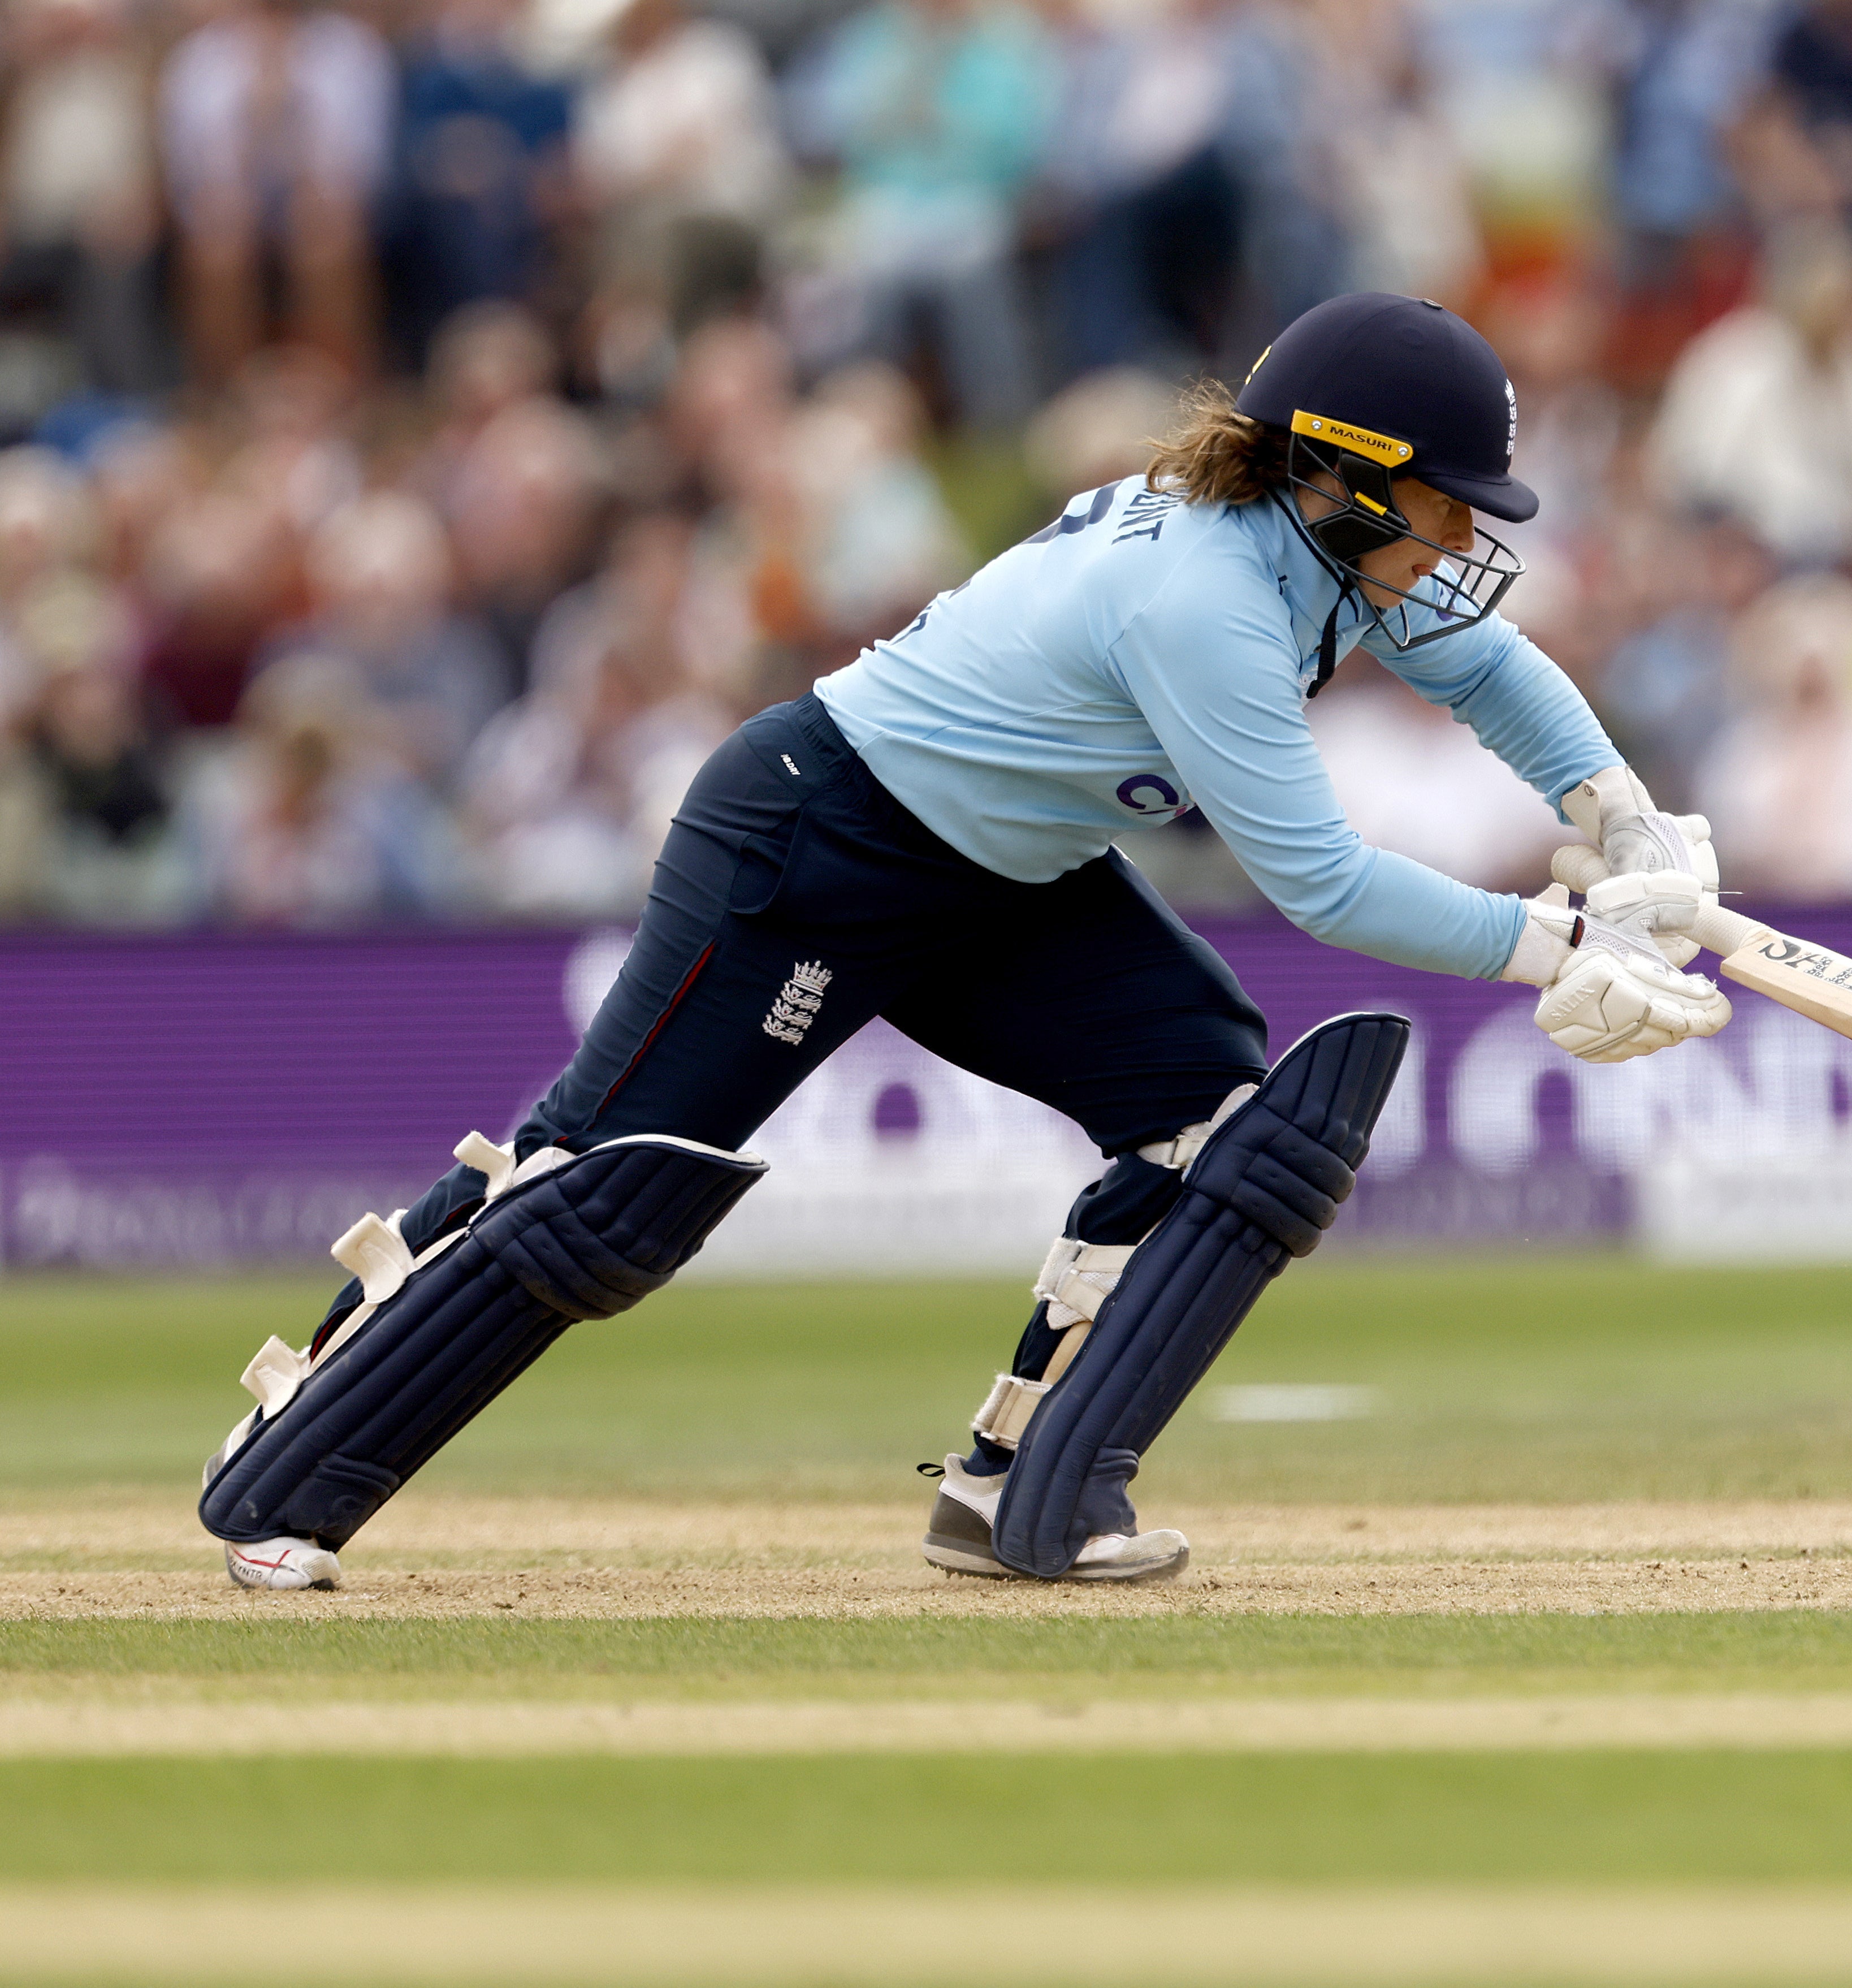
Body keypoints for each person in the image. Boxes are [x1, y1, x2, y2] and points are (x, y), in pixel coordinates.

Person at [198, 293, 1732, 1592]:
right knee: (604, 1187)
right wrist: (1558, 942)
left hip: (1000, 874)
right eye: (1452, 501)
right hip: (816, 840)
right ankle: (282, 1458)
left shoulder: (1322, 552)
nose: (1466, 537)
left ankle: (1025, 1487)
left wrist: (1623, 814)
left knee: (1220, 1119)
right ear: (1347, 473)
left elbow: (1494, 668)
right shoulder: (1206, 592)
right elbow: (1320, 884)